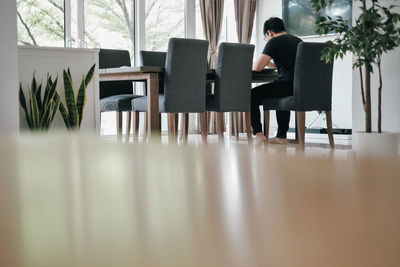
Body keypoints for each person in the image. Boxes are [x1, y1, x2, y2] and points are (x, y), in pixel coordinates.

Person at [251, 17, 302, 145]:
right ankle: (281, 136)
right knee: (280, 91)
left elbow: (257, 67)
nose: (267, 39)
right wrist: (272, 64)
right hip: (299, 87)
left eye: (266, 37)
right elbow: (289, 63)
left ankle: (259, 133)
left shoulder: (274, 41)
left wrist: (252, 64)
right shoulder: (298, 41)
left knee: (250, 95)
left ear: (269, 32)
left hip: (285, 85)